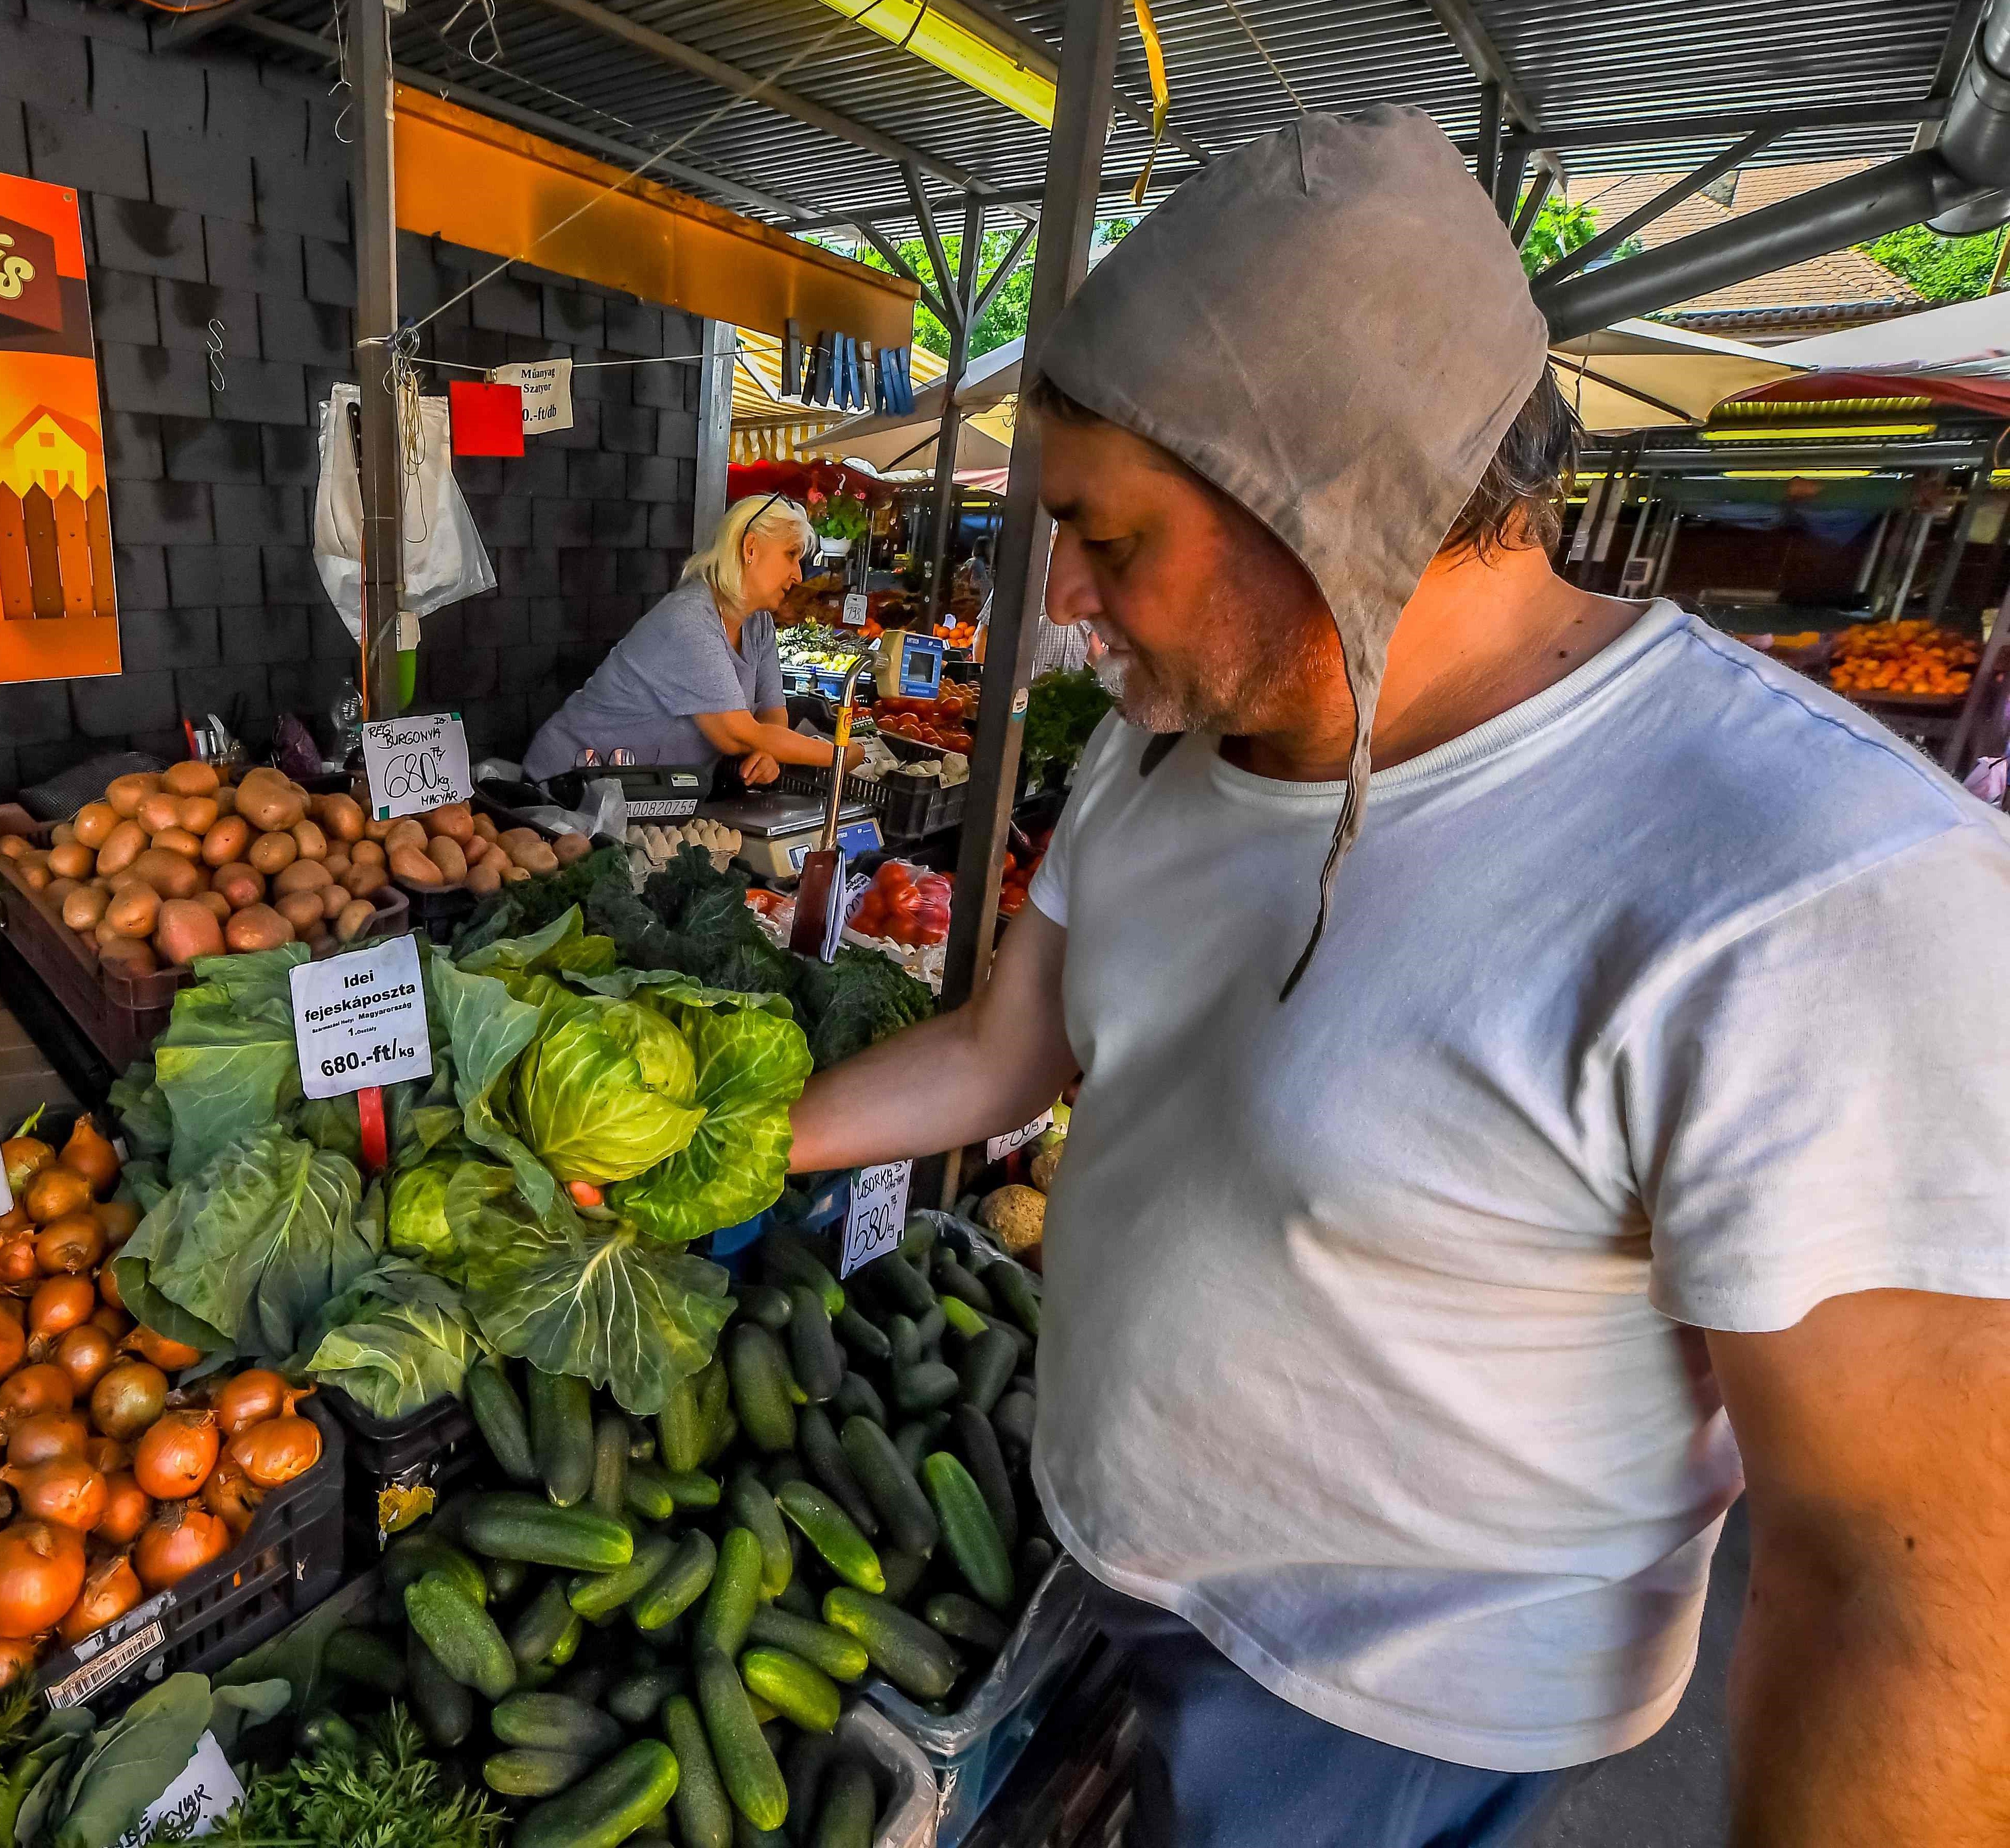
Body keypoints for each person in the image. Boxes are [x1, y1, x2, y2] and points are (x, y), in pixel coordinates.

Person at [788, 107, 2010, 1847]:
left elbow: (1918, 1595)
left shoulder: (1801, 879)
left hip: (1392, 1731)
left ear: (1324, 495)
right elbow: (1003, 1052)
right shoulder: (1154, 760)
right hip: (1105, 1586)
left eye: (1106, 536)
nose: (1059, 597)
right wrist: (694, 1150)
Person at [523, 494, 863, 785]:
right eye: (791, 555)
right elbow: (735, 734)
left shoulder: (758, 624)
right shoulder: (689, 619)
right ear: (750, 548)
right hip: (567, 782)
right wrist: (838, 754)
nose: (798, 575)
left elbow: (773, 713)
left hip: (639, 791)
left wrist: (767, 752)